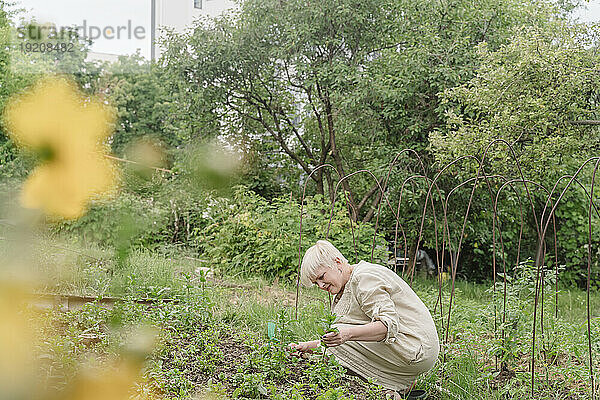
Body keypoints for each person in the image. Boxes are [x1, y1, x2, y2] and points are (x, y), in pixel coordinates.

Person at [289, 240, 439, 399]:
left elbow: (388, 326)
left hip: (415, 348)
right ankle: (395, 385)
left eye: (321, 276)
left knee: (340, 340)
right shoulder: (344, 286)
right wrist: (307, 346)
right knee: (340, 339)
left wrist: (346, 334)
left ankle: (392, 383)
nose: (320, 285)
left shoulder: (364, 278)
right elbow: (346, 339)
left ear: (337, 262)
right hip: (408, 348)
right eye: (315, 282)